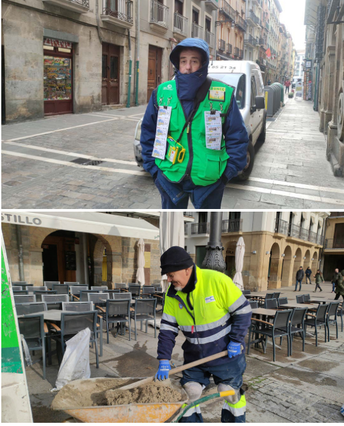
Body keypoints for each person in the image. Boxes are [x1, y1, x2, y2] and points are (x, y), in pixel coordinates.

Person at [140, 38, 249, 209]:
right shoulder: (161, 93)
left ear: (203, 64)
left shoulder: (223, 93)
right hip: (169, 175)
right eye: (183, 61)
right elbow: (148, 132)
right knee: (172, 224)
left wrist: (227, 174)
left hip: (210, 179)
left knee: (208, 227)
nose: (188, 67)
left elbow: (238, 136)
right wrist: (154, 171)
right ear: (177, 63)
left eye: (194, 61)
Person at [155, 246, 251, 422]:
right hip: (195, 357)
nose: (168, 280)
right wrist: (163, 360)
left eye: (171, 275)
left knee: (228, 392)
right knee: (190, 392)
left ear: (187, 269)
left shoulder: (216, 280)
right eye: (167, 276)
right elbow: (167, 330)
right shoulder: (171, 295)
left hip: (225, 355)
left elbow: (243, 311)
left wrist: (236, 340)